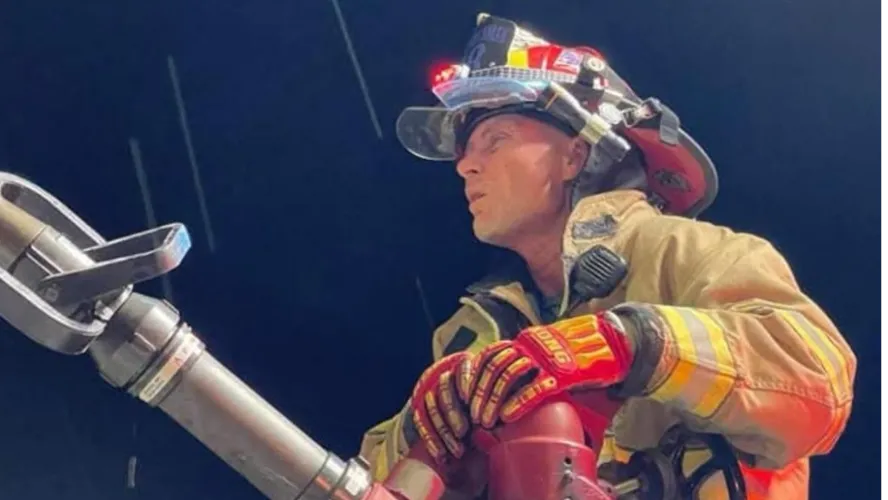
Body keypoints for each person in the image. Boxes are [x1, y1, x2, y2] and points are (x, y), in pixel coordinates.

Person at [359, 13, 857, 499]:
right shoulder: (473, 334)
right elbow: (372, 472)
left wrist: (630, 342)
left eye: (496, 139)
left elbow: (817, 379)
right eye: (465, 149)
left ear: (575, 155)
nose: (466, 165)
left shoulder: (683, 251)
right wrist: (418, 427)